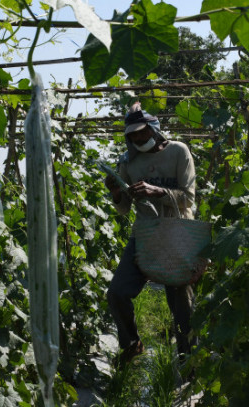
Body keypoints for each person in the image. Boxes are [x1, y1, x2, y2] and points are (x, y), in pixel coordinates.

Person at [104, 103, 197, 367]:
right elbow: (123, 210)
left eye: (142, 133)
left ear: (154, 129)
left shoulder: (178, 151)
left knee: (181, 302)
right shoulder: (128, 161)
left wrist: (157, 191)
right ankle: (132, 344)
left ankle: (187, 360)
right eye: (132, 135)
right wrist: (116, 193)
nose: (138, 139)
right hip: (144, 234)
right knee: (117, 292)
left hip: (177, 234)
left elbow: (188, 200)